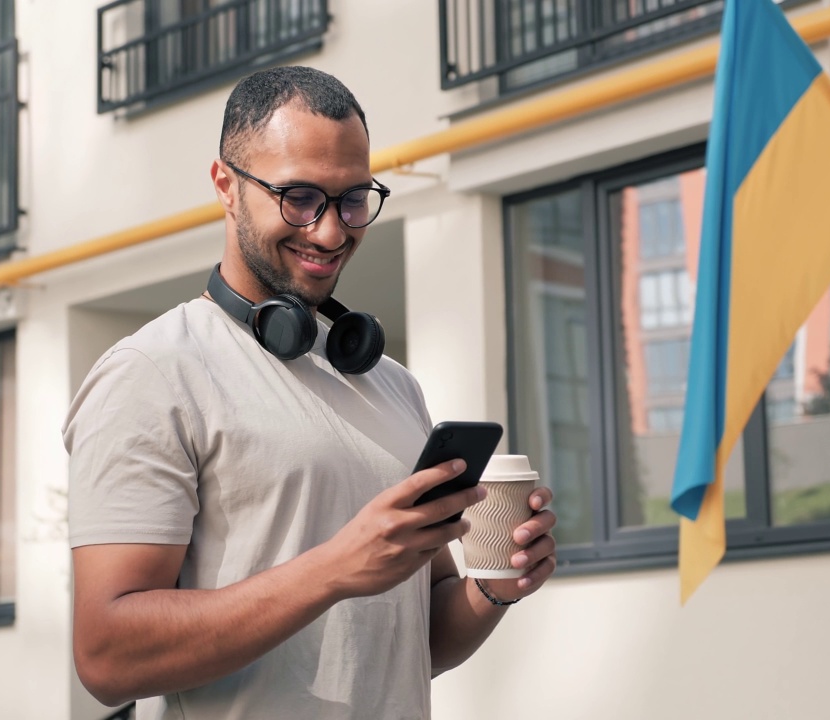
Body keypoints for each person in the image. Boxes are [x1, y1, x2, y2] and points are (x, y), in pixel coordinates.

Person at [64, 65, 558, 720]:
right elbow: (106, 658)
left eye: (354, 199)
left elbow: (416, 638)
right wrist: (333, 569)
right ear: (226, 186)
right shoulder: (154, 371)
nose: (331, 231)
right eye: (299, 197)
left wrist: (496, 586)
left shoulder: (394, 386)